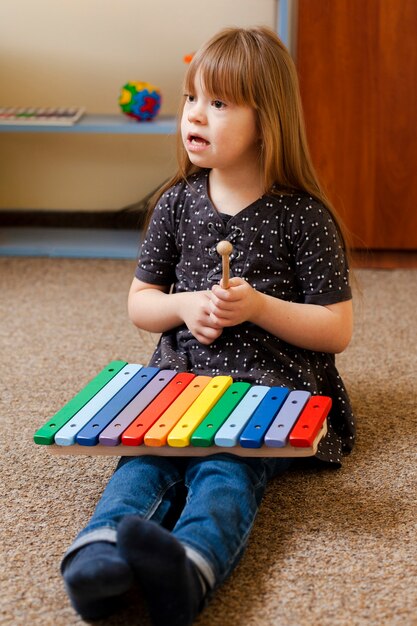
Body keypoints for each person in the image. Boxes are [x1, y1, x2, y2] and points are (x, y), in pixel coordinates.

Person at [61, 26, 355, 625]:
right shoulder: (175, 202)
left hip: (267, 393)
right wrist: (183, 305)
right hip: (180, 383)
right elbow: (141, 303)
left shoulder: (304, 216)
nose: (195, 115)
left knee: (226, 471)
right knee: (142, 464)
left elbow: (336, 329)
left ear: (266, 120)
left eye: (218, 103)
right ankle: (97, 559)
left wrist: (261, 307)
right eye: (192, 98)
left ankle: (192, 567)